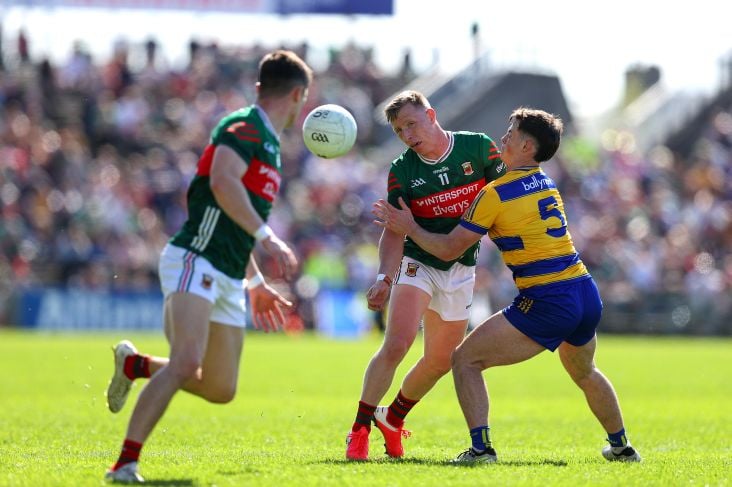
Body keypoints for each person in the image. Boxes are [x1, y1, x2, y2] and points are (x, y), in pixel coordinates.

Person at [373, 107, 641, 464]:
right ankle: (622, 447)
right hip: (584, 290)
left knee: (464, 360)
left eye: (510, 134)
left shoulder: (496, 193)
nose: (502, 139)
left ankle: (481, 449)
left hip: (548, 298)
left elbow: (450, 248)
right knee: (585, 371)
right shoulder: (546, 182)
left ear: (527, 146)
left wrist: (410, 228)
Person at [104, 49, 313, 483]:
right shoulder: (244, 127)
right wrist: (267, 236)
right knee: (185, 362)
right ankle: (124, 464)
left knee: (220, 388)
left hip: (231, 273)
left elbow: (234, 221)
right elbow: (221, 181)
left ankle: (136, 366)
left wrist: (255, 280)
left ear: (260, 86)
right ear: (298, 95)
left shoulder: (270, 144)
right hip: (194, 257)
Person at [345, 90, 505, 460]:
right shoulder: (403, 169)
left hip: (461, 267)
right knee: (397, 344)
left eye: (411, 124)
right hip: (418, 263)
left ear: (431, 116)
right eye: (399, 130)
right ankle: (359, 429)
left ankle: (392, 418)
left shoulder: (478, 148)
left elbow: (507, 196)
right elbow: (394, 229)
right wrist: (384, 278)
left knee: (440, 360)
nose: (407, 135)